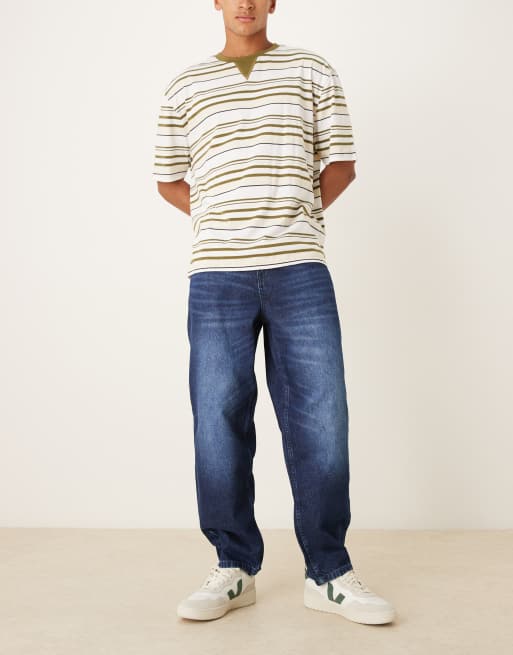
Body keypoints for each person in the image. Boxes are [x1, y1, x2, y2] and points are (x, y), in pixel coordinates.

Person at [153, 0, 396, 625]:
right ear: (215, 1)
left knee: (321, 416)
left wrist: (296, 213)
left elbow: (341, 164)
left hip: (299, 268)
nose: (245, 3)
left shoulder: (312, 69)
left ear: (272, 1)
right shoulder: (185, 85)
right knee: (218, 420)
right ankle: (233, 568)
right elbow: (168, 178)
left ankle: (329, 573)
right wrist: (221, 218)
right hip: (217, 274)